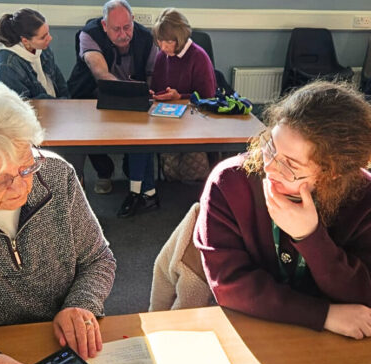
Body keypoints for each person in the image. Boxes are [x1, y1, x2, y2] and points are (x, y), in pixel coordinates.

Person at [0, 74, 116, 364]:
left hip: (66, 350)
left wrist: (81, 304)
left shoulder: (56, 174)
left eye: (25, 166)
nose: (22, 187)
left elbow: (98, 258)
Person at [194, 81, 371, 339]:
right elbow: (229, 285)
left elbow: (364, 292)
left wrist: (310, 238)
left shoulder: (363, 197)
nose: (270, 167)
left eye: (290, 165)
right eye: (271, 146)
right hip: (248, 330)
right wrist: (323, 314)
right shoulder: (229, 183)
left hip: (332, 346)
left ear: (332, 174)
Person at [67, 0, 158, 198]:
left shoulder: (146, 37)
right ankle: (103, 171)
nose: (123, 34)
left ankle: (131, 168)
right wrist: (130, 92)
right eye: (116, 29)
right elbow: (100, 72)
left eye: (127, 27)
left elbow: (152, 73)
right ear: (104, 25)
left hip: (135, 94)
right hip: (92, 92)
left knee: (139, 131)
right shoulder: (89, 34)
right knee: (89, 128)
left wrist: (149, 93)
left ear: (133, 20)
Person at [139, 8, 217, 191]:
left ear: (180, 38)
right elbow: (157, 86)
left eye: (168, 41)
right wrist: (154, 94)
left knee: (191, 170)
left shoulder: (198, 57)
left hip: (194, 121)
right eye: (160, 41)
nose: (163, 46)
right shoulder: (162, 56)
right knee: (169, 168)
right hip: (168, 120)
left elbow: (208, 97)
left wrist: (180, 96)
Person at [0, 8, 68, 99]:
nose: (50, 38)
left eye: (48, 32)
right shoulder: (8, 64)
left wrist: (65, 102)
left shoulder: (42, 47)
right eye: (43, 37)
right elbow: (21, 105)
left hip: (53, 105)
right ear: (25, 41)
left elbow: (60, 83)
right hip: (31, 110)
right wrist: (58, 105)